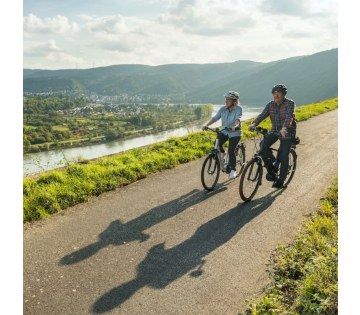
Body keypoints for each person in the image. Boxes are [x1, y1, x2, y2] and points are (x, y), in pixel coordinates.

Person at [248, 84, 297, 188]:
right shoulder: (270, 104)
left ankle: (281, 180)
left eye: (279, 93)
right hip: (274, 130)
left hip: (287, 132)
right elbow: (263, 114)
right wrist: (254, 124)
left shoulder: (289, 103)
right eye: (275, 94)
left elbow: (289, 117)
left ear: (284, 94)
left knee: (284, 155)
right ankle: (273, 164)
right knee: (263, 146)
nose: (276, 96)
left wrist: (285, 128)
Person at [202, 91, 242, 179]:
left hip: (235, 132)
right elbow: (215, 118)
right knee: (217, 144)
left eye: (228, 100)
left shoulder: (238, 108)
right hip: (225, 131)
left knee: (231, 151)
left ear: (234, 101)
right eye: (226, 99)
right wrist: (206, 125)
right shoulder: (222, 109)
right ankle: (223, 153)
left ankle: (233, 170)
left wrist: (236, 126)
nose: (226, 101)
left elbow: (237, 118)